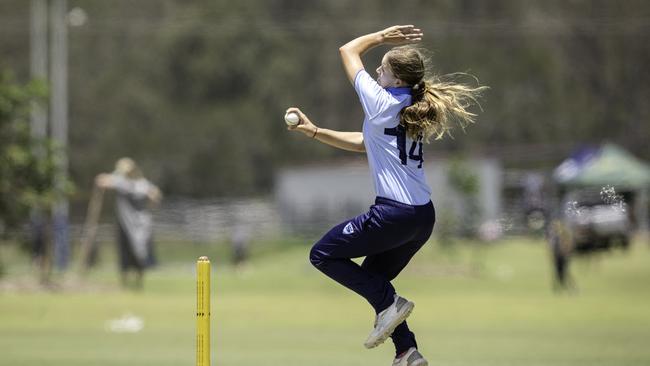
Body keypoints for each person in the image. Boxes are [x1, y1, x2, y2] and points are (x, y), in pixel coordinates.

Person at [286, 25, 487, 366]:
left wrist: (380, 37)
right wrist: (316, 132)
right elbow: (366, 143)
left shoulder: (380, 101)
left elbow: (347, 50)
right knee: (376, 281)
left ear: (395, 79)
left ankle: (390, 308)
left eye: (382, 68)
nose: (376, 71)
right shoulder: (410, 105)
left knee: (322, 254)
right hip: (422, 218)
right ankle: (407, 350)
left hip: (393, 214)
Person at [95, 157, 162, 290]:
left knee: (139, 255)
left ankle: (138, 283)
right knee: (124, 255)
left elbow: (156, 195)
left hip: (140, 228)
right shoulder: (123, 182)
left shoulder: (140, 184)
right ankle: (125, 284)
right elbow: (102, 180)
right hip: (125, 225)